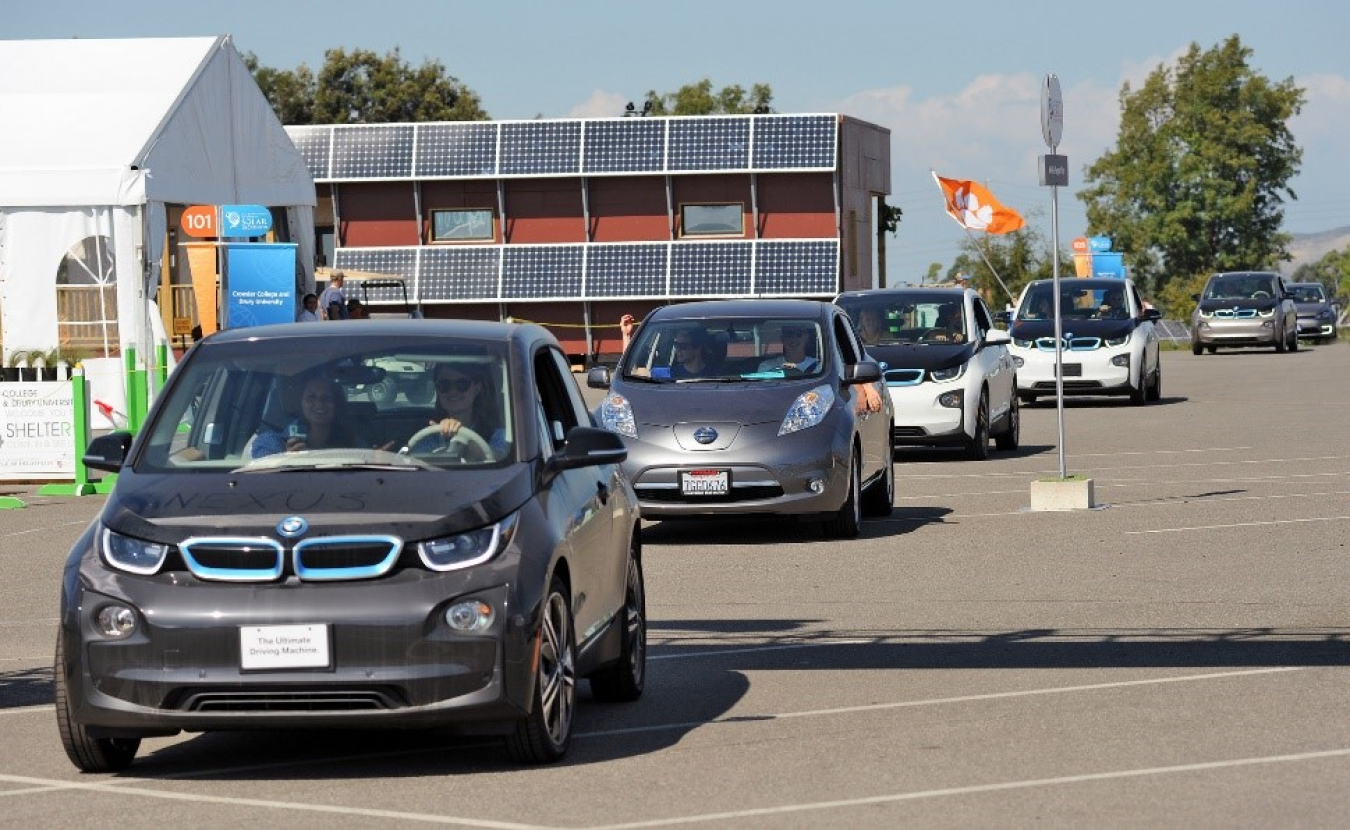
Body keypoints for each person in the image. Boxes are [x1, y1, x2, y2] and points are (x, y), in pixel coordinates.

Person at [411, 362, 508, 459]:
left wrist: (462, 438)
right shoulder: (430, 435)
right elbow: (411, 463)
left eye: (462, 384)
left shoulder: (495, 433)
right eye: (444, 384)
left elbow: (502, 459)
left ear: (476, 389)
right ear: (437, 388)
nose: (453, 391)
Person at [248, 376, 360, 458]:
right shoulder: (271, 443)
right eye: (311, 397)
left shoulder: (352, 440)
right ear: (300, 403)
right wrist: (286, 461)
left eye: (327, 398)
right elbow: (264, 481)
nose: (319, 404)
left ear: (337, 405)